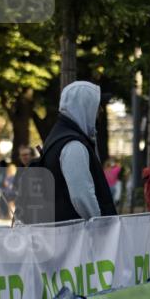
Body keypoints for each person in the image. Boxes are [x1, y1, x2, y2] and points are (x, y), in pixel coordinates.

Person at [36, 81, 117, 222]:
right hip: (77, 239)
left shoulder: (59, 137)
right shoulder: (73, 145)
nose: (101, 112)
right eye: (97, 107)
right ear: (84, 107)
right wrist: (100, 225)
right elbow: (82, 196)